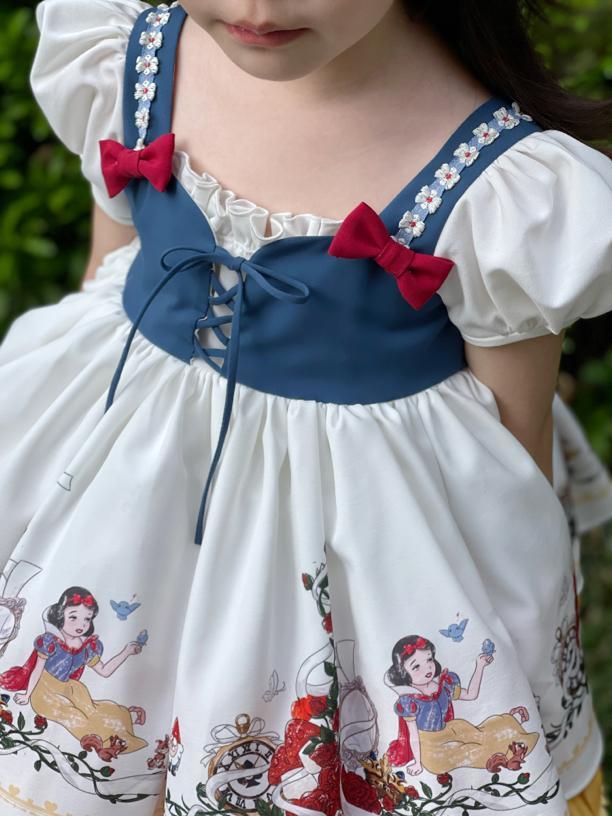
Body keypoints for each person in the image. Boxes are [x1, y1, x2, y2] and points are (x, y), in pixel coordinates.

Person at [0, 0, 610, 814]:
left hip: (353, 535)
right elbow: (109, 266)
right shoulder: (132, 60)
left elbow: (512, 449)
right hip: (124, 472)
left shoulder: (499, 184)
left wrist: (522, 658)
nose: (256, 7)